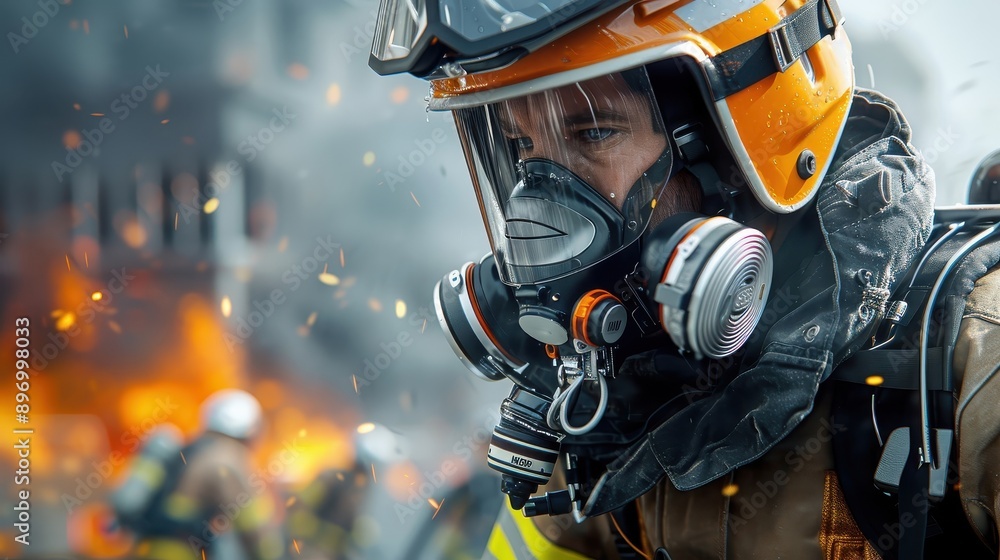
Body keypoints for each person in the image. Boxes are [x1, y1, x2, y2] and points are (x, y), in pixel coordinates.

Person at [369, 0, 1000, 558]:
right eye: (522, 147)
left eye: (592, 131)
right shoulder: (598, 413)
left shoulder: (971, 368)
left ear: (735, 139)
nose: (540, 197)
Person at [109, 389, 286, 560]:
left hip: (147, 549)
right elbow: (254, 528)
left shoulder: (194, 449)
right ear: (250, 429)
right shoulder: (229, 459)